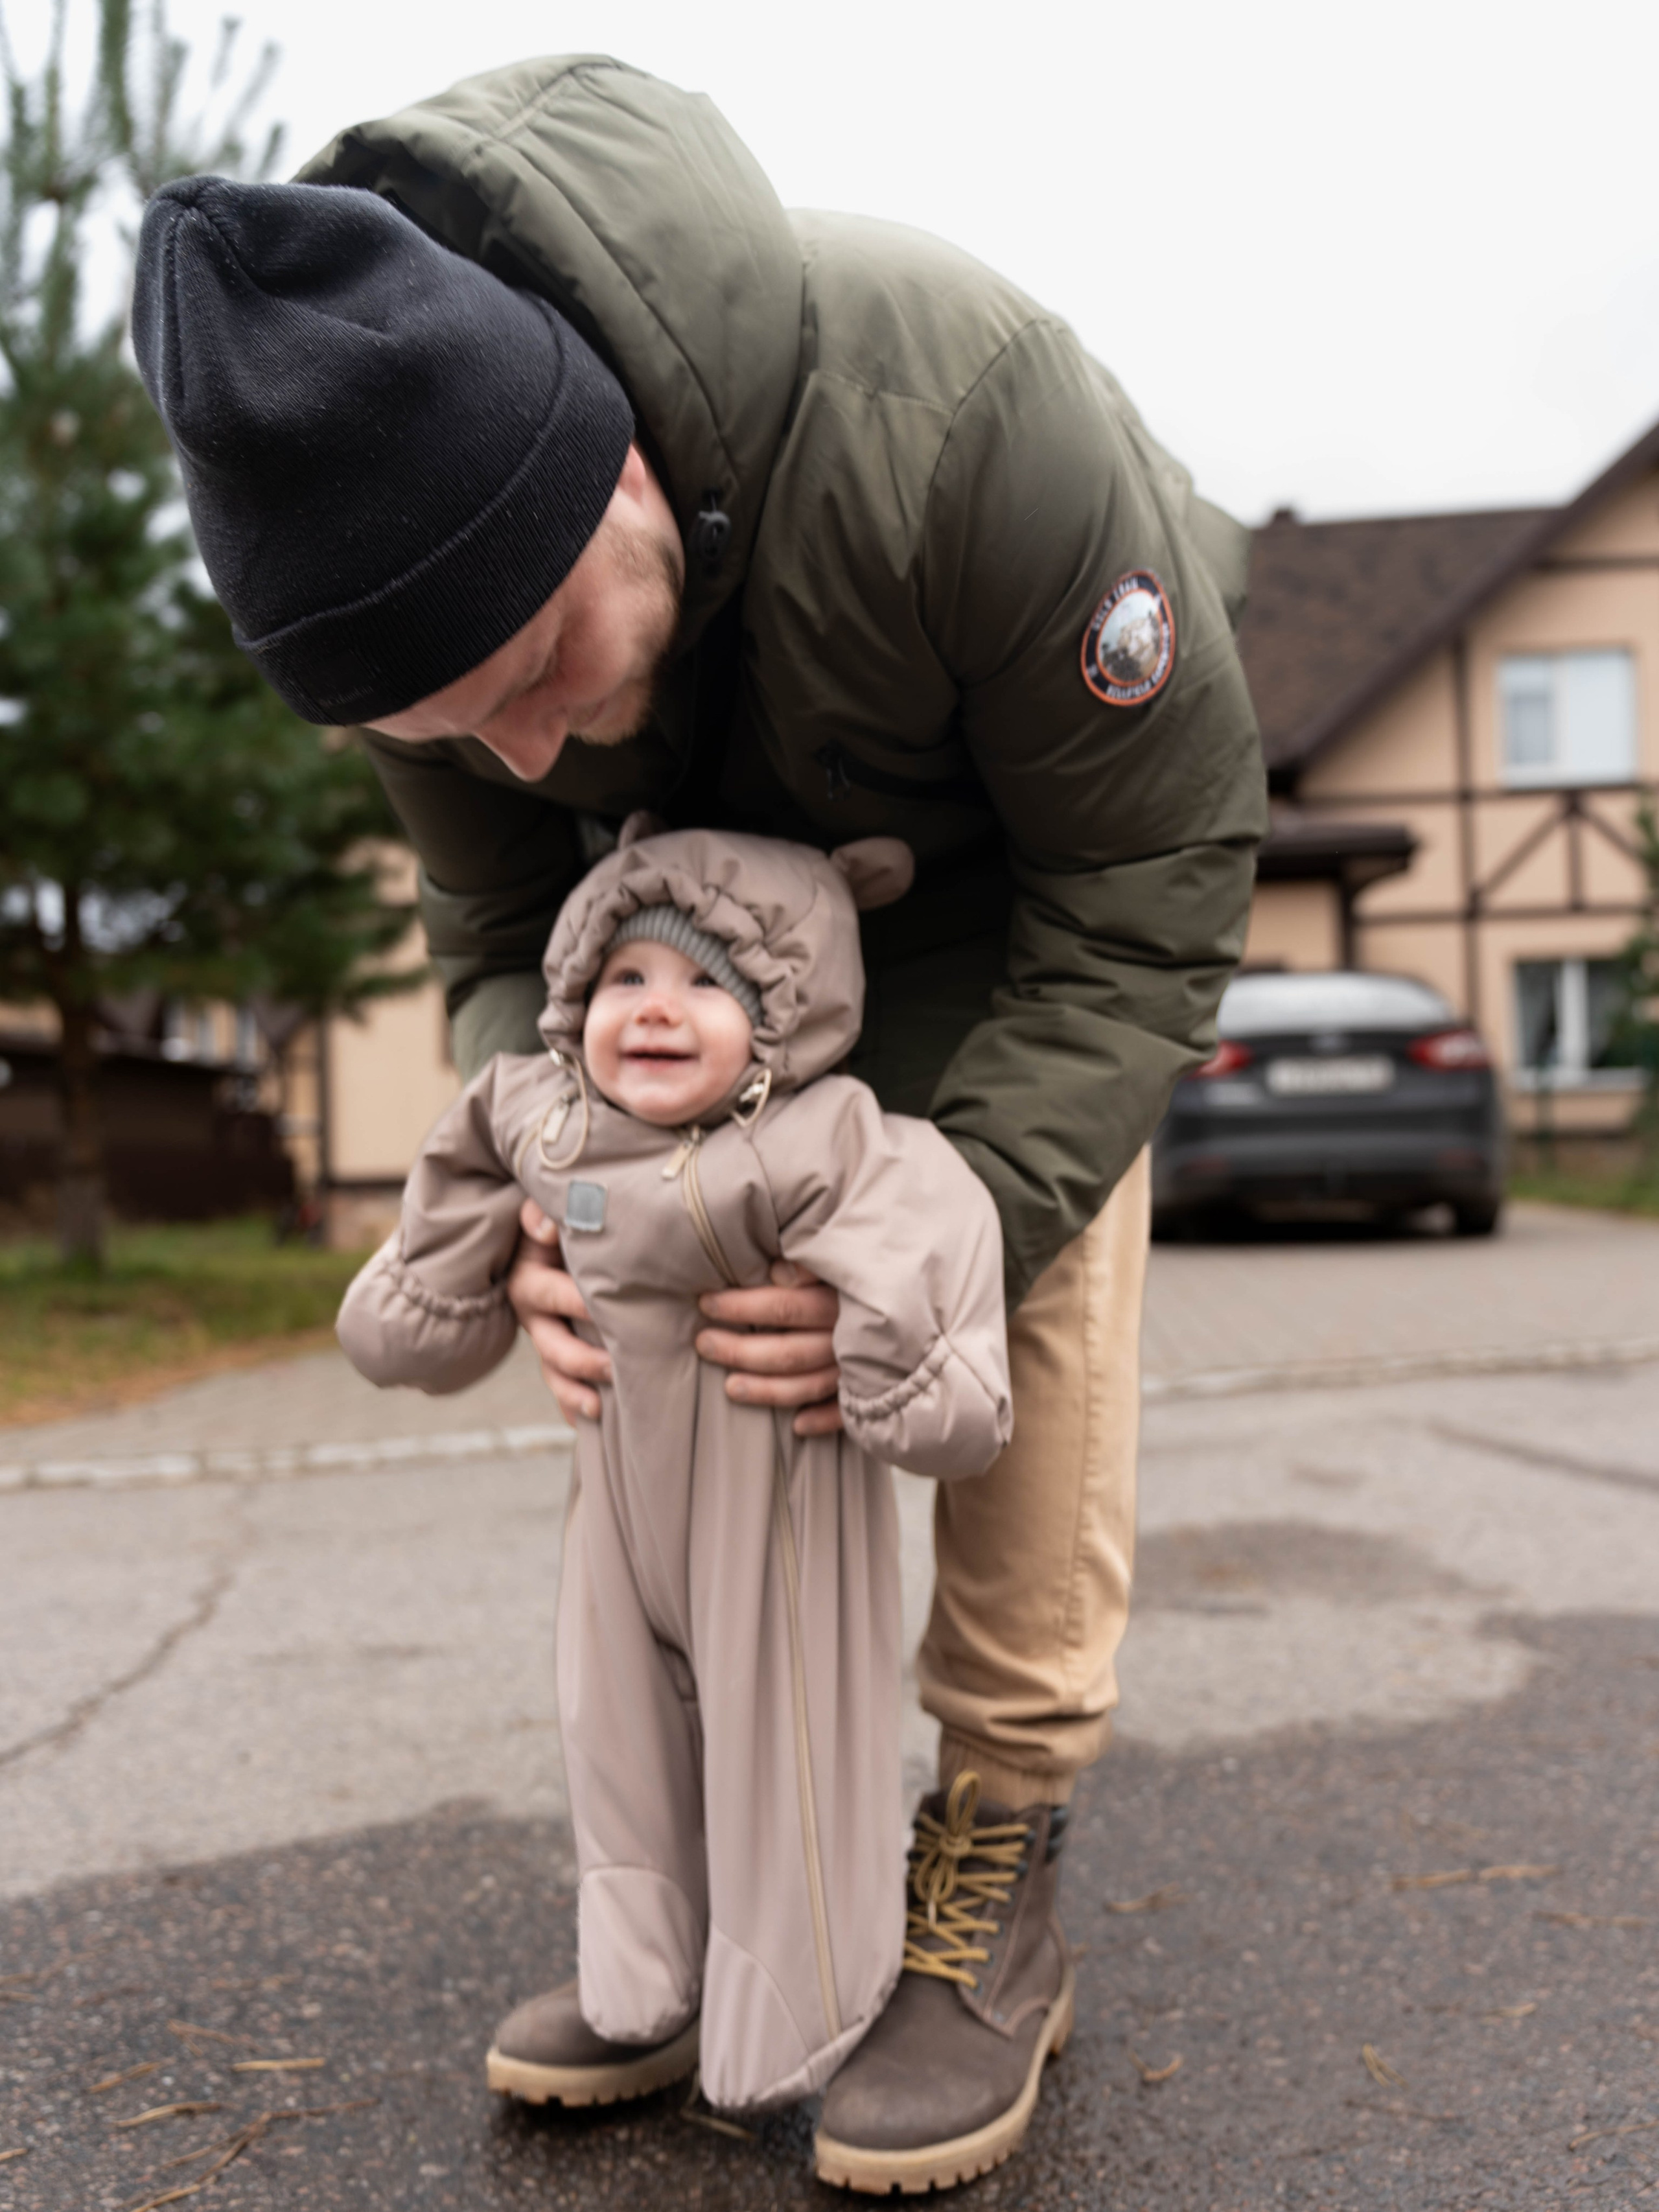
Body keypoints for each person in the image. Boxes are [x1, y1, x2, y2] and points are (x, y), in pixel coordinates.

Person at [132, 56, 1265, 2191]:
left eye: (540, 661)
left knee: (995, 1309)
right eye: (440, 722)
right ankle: (722, 1907)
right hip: (695, 946)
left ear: (616, 465)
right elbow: (496, 938)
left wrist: (962, 1214)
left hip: (1026, 880)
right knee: (686, 1338)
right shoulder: (436, 629)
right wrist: (559, 1198)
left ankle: (996, 1847)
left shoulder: (972, 424)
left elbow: (1150, 891)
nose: (519, 738)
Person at [336, 817, 1013, 2114]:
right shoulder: (548, 1116)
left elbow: (923, 1223)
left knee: (783, 1744)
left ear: (787, 1013)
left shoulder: (823, 1138)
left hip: (774, 1509)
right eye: (625, 980)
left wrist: (900, 1364)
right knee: (616, 1734)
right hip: (617, 1514)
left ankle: (798, 2014)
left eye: (709, 983)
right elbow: (467, 1153)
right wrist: (431, 1294)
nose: (655, 1010)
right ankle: (641, 1983)